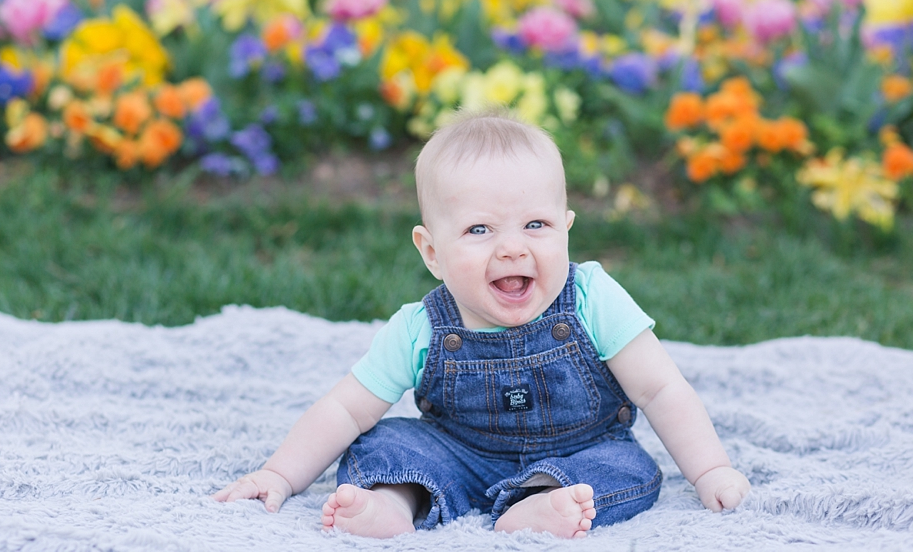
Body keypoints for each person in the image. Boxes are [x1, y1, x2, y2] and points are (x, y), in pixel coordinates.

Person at [213, 109, 750, 538]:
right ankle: (395, 504)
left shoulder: (591, 299)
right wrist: (280, 474)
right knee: (382, 443)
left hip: (576, 453)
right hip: (460, 455)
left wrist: (709, 471)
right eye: (479, 229)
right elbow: (343, 408)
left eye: (535, 224)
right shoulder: (422, 327)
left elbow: (661, 390)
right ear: (432, 253)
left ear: (565, 230)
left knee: (629, 469)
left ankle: (538, 505)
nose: (512, 246)